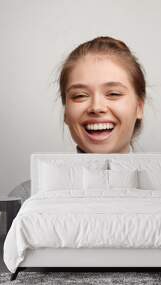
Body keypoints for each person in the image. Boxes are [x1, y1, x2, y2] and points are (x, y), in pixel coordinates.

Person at [9, 36, 147, 201]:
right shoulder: (26, 199)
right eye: (80, 95)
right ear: (66, 111)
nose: (96, 107)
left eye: (113, 94)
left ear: (139, 107)